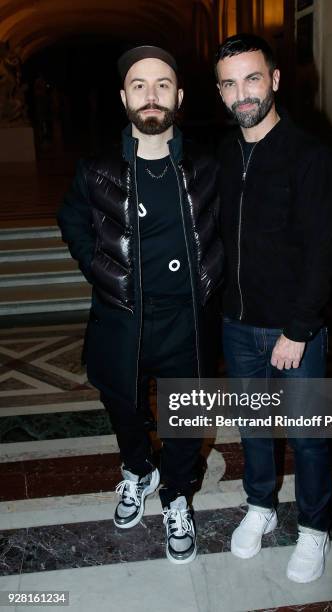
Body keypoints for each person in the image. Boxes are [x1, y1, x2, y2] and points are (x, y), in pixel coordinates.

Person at [57, 45, 222, 564]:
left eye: (162, 85)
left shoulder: (207, 168)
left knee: (186, 417)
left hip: (186, 321)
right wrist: (99, 271)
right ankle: (137, 468)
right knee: (121, 402)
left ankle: (175, 493)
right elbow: (72, 223)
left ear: (179, 95)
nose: (151, 96)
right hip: (121, 317)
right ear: (124, 97)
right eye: (139, 85)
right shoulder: (96, 170)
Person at [215, 34, 332, 582]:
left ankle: (314, 528)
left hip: (295, 331)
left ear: (275, 81)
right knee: (252, 428)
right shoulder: (222, 155)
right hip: (237, 325)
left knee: (309, 433)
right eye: (229, 83)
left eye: (251, 78)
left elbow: (324, 252)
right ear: (220, 93)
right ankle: (261, 507)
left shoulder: (311, 155)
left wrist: (298, 328)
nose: (242, 93)